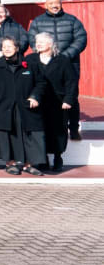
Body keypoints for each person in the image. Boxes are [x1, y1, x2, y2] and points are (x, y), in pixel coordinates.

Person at [28, 0, 86, 140]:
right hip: (46, 63)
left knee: (71, 95)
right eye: (51, 4)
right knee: (46, 94)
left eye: (57, 3)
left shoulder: (72, 20)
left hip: (70, 63)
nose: (54, 6)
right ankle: (48, 127)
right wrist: (47, 55)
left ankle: (73, 128)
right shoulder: (37, 21)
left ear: (61, 5)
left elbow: (81, 39)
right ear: (46, 5)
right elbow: (32, 40)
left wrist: (65, 56)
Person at [0, 37, 46, 176]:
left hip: (25, 106)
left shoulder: (30, 64)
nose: (6, 49)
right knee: (6, 136)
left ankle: (29, 164)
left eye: (9, 46)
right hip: (4, 107)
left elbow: (41, 83)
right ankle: (11, 163)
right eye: (4, 47)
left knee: (30, 135)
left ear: (17, 48)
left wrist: (35, 96)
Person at [27, 32, 78, 172]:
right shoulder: (30, 59)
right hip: (37, 102)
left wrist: (68, 99)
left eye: (42, 42)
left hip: (58, 102)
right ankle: (42, 159)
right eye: (37, 42)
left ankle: (57, 157)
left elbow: (71, 81)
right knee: (40, 131)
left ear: (50, 44)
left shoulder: (62, 60)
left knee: (58, 131)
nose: (38, 44)